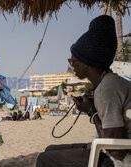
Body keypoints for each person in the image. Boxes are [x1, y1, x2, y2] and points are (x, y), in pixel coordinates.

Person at [36, 15, 131, 167]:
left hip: (119, 161)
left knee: (43, 159)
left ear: (86, 64)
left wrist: (92, 113)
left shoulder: (106, 90)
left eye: (73, 61)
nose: (72, 65)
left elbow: (117, 151)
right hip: (113, 151)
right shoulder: (110, 83)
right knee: (49, 149)